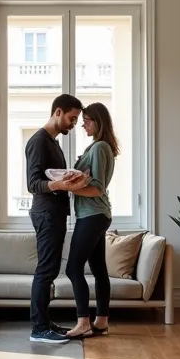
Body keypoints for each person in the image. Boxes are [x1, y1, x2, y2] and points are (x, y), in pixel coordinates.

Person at [24, 94, 89, 344]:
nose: (74, 124)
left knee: (49, 269)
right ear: (58, 112)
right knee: (46, 269)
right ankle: (38, 329)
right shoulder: (39, 141)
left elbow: (51, 178)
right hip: (46, 212)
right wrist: (60, 184)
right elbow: (33, 184)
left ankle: (44, 322)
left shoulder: (52, 142)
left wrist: (70, 179)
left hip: (54, 212)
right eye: (72, 119)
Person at [64, 102, 118, 339]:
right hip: (96, 215)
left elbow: (97, 188)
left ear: (98, 121)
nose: (83, 124)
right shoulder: (98, 147)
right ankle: (102, 321)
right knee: (98, 269)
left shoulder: (99, 148)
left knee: (73, 267)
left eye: (86, 120)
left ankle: (83, 321)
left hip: (93, 215)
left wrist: (67, 187)